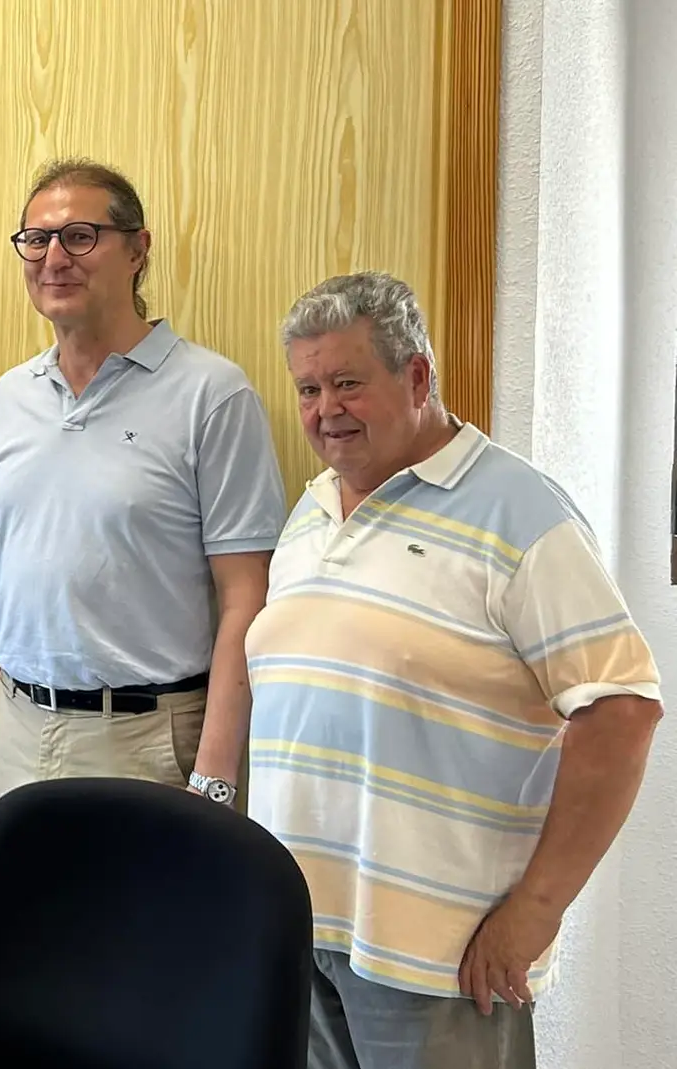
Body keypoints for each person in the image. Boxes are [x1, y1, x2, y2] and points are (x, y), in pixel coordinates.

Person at [248, 271, 663, 1069]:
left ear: (417, 376)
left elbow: (622, 708)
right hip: (302, 939)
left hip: (441, 960)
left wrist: (536, 910)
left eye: (346, 383)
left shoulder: (521, 510)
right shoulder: (309, 511)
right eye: (307, 388)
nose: (324, 411)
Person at [0, 157, 286, 842]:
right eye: (35, 240)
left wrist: (214, 777)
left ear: (138, 249)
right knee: (25, 949)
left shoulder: (211, 394)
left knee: (143, 950)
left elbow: (247, 597)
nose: (53, 258)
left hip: (149, 745)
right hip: (15, 734)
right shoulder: (9, 399)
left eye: (80, 236)